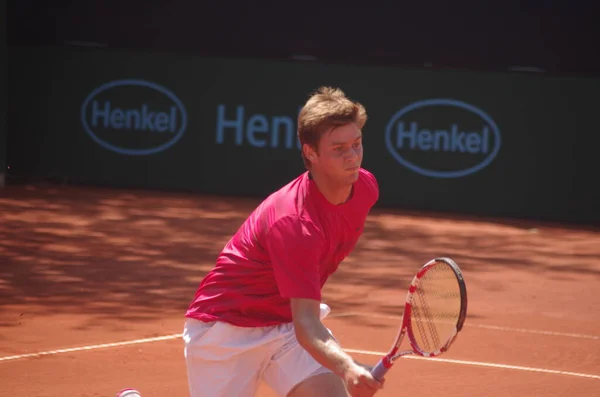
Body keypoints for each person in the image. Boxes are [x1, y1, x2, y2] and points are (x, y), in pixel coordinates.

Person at [182, 86, 383, 397]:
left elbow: (300, 323)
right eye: (338, 149)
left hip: (285, 326)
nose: (352, 156)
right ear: (310, 153)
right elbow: (306, 322)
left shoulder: (365, 188)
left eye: (356, 144)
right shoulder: (295, 223)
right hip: (228, 330)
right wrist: (347, 366)